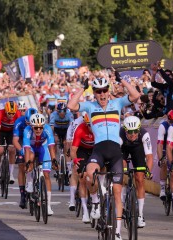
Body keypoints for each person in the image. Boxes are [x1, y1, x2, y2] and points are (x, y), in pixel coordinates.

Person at [68, 72, 140, 240]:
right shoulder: (90, 106)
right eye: (98, 91)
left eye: (104, 90)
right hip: (98, 150)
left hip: (115, 152)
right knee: (89, 174)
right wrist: (82, 88)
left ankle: (117, 231)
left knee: (116, 192)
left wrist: (122, 80)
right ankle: (95, 202)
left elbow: (135, 95)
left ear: (109, 90)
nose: (101, 94)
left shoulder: (117, 103)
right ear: (94, 93)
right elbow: (71, 106)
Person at [120, 116, 153, 228]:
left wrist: (148, 170)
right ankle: (122, 205)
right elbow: (117, 156)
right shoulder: (120, 134)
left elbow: (149, 157)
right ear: (125, 130)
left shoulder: (144, 135)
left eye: (135, 131)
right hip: (123, 150)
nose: (133, 134)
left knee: (139, 179)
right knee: (121, 174)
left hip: (137, 150)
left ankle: (140, 214)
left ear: (139, 130)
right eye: (129, 132)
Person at [24, 113, 57, 215]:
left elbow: (51, 147)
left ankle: (48, 205)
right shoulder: (27, 130)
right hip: (32, 149)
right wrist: (28, 163)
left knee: (46, 175)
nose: (38, 130)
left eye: (40, 127)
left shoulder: (47, 129)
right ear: (31, 126)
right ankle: (29, 181)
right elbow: (27, 149)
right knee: (30, 160)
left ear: (43, 126)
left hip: (43, 148)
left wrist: (54, 160)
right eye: (36, 128)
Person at [69, 112, 94, 223]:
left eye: (92, 125)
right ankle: (85, 210)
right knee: (82, 177)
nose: (90, 127)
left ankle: (97, 200)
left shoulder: (99, 129)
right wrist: (75, 160)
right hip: (82, 151)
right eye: (88, 125)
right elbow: (73, 150)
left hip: (95, 150)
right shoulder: (80, 129)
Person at [12, 107, 38, 209]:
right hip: (22, 142)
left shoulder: (39, 121)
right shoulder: (19, 122)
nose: (29, 126)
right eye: (27, 123)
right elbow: (15, 140)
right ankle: (23, 194)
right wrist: (22, 151)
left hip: (35, 141)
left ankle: (36, 182)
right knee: (22, 166)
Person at [0, 101, 21, 184]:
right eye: (9, 113)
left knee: (12, 150)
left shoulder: (18, 113)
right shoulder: (0, 113)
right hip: (1, 131)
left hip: (11, 131)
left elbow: (18, 129)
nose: (11, 115)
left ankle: (11, 174)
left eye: (13, 113)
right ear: (5, 111)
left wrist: (16, 141)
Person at [157, 109, 173, 200]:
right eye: (171, 121)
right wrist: (160, 158)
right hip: (166, 146)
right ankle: (162, 188)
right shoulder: (163, 126)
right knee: (164, 163)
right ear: (167, 120)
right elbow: (160, 145)